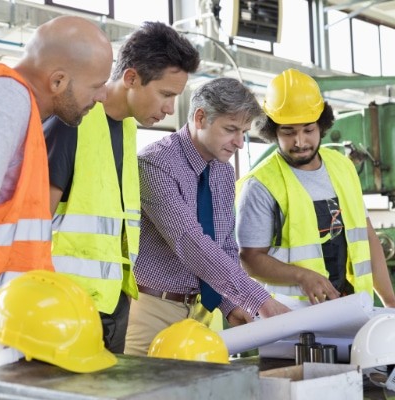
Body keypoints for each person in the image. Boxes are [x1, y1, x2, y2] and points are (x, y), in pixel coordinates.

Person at [44, 21, 200, 353]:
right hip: (63, 310)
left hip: (113, 308)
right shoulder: (71, 122)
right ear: (131, 78)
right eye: (166, 94)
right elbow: (33, 223)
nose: (171, 109)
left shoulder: (128, 129)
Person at [125, 77, 290, 357]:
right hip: (152, 312)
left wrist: (230, 304)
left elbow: (223, 245)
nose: (239, 142)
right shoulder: (154, 164)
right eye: (231, 129)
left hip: (202, 313)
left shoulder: (223, 171)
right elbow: (191, 243)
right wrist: (257, 299)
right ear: (200, 118)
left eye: (244, 132)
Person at [236, 68, 395, 308]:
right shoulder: (261, 185)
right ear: (272, 131)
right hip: (291, 317)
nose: (300, 142)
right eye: (288, 132)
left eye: (308, 130)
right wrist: (302, 276)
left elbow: (367, 235)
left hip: (352, 306)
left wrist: (389, 301)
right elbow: (250, 259)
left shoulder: (342, 166)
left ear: (321, 126)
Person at [0, 16, 113, 292]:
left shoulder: (21, 107)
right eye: (97, 85)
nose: (103, 96)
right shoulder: (8, 98)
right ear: (58, 81)